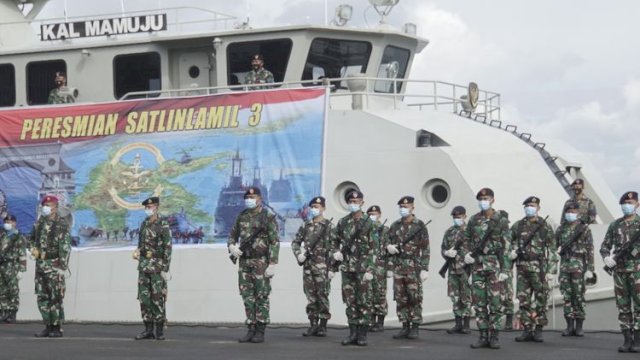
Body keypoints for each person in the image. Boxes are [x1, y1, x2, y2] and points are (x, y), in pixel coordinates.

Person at [228, 187, 280, 344]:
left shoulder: (268, 217)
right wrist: (232, 247)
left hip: (261, 262)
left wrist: (272, 263)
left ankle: (260, 330)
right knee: (247, 296)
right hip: (244, 262)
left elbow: (274, 241)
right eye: (248, 196)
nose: (249, 199)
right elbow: (232, 235)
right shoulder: (241, 216)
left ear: (260, 198)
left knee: (261, 296)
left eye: (253, 196)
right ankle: (250, 328)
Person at [463, 188, 511, 349]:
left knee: (496, 303)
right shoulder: (473, 220)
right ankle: (483, 335)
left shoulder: (501, 220)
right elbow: (467, 240)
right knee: (479, 303)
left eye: (486, 198)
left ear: (492, 200)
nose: (483, 201)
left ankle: (495, 336)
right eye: (481, 198)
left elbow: (506, 246)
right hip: (477, 266)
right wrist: (467, 255)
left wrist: (505, 270)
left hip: (494, 265)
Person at [332, 190, 377, 346]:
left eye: (356, 202)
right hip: (347, 267)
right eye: (351, 201)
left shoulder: (369, 223)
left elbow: (375, 248)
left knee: (364, 301)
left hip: (363, 267)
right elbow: (334, 240)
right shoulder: (343, 222)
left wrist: (371, 269)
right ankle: (352, 333)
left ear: (362, 203)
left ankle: (362, 334)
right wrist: (336, 252)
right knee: (350, 301)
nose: (353, 204)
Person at [510, 196, 557, 343]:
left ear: (538, 208)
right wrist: (512, 251)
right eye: (527, 205)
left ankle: (538, 329)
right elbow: (507, 242)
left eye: (532, 205)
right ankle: (527, 329)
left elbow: (552, 249)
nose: (529, 208)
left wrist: (551, 270)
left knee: (541, 299)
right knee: (523, 300)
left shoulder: (544, 226)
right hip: (522, 267)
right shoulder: (517, 225)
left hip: (539, 268)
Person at [600, 191, 640, 352]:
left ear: (637, 204)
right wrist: (606, 258)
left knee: (638, 306)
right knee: (623, 307)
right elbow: (605, 246)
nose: (627, 205)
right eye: (625, 203)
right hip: (620, 272)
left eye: (630, 202)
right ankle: (627, 340)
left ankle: (637, 340)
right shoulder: (615, 225)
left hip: (637, 272)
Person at [386, 196, 430, 340]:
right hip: (398, 266)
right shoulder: (394, 225)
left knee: (414, 297)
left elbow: (426, 249)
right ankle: (405, 326)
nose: (403, 209)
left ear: (412, 208)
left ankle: (415, 326)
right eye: (401, 207)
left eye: (406, 206)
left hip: (414, 267)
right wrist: (389, 248)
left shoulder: (420, 225)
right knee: (400, 298)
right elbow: (386, 244)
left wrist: (425, 268)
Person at [29, 195, 71, 338]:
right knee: (42, 296)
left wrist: (62, 266)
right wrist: (32, 249)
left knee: (55, 297)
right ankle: (47, 325)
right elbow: (31, 238)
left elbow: (65, 246)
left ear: (56, 207)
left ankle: (56, 327)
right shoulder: (40, 223)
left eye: (50, 205)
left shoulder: (61, 224)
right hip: (41, 264)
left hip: (54, 265)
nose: (46, 208)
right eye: (45, 205)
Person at [292, 196, 333, 337]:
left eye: (318, 206)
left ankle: (323, 326)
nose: (315, 209)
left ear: (324, 208)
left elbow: (335, 248)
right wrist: (298, 255)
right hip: (308, 266)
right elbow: (295, 242)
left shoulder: (329, 226)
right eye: (313, 207)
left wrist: (333, 268)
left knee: (322, 296)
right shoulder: (306, 225)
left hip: (323, 267)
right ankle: (313, 325)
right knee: (310, 297)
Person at [132, 196, 172, 341]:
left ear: (156, 207)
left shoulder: (163, 224)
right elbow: (141, 243)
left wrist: (165, 268)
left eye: (150, 207)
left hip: (157, 266)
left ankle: (159, 330)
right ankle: (148, 329)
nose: (148, 209)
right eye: (147, 207)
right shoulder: (144, 224)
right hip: (143, 266)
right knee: (144, 299)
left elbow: (168, 247)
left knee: (157, 298)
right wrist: (137, 251)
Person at [556, 201, 594, 338]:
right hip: (565, 267)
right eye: (568, 212)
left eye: (573, 212)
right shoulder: (560, 229)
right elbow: (555, 247)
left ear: (577, 213)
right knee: (567, 297)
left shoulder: (584, 229)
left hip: (579, 267)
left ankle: (579, 327)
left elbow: (590, 250)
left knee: (578, 296)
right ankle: (569, 326)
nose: (570, 214)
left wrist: (590, 268)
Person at [441, 205, 472, 334]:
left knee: (466, 297)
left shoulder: (470, 231)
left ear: (465, 216)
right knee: (455, 297)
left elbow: (476, 247)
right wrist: (446, 253)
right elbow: (443, 248)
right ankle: (458, 323)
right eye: (454, 217)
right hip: (452, 269)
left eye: (459, 217)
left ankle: (466, 324)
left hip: (466, 269)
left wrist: (471, 257)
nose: (456, 219)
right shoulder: (449, 232)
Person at [367, 205, 391, 333]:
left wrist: (390, 267)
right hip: (368, 266)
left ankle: (380, 321)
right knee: (368, 294)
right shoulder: (365, 230)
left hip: (381, 266)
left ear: (380, 214)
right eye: (370, 213)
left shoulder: (385, 230)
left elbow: (390, 250)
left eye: (375, 213)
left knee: (380, 294)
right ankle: (371, 321)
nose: (372, 216)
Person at [0, 215, 26, 323]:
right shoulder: (2, 234)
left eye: (10, 221)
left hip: (13, 266)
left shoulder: (18, 237)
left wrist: (22, 269)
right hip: (2, 265)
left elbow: (22, 255)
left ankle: (12, 312)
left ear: (15, 223)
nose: (8, 223)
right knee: (2, 289)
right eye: (6, 221)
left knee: (13, 290)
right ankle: (3, 311)